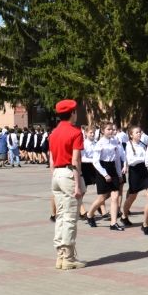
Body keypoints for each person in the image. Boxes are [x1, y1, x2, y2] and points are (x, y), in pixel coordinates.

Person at [48, 99, 86, 270]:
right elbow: (76, 159)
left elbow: (51, 158)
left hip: (56, 173)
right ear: (72, 113)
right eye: (75, 112)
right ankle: (69, 257)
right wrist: (77, 184)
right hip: (69, 173)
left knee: (61, 216)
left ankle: (60, 256)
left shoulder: (53, 133)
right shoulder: (75, 132)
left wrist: (54, 176)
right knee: (70, 217)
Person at [85, 122, 125, 231]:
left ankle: (113, 223)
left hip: (112, 169)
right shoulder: (100, 143)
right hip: (102, 169)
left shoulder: (115, 141)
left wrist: (119, 174)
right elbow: (95, 162)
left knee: (115, 196)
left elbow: (117, 159)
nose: (111, 131)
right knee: (102, 198)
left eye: (112, 129)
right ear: (102, 131)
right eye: (108, 129)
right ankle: (89, 214)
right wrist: (104, 174)